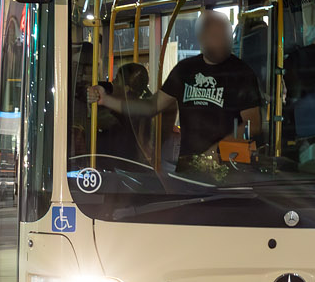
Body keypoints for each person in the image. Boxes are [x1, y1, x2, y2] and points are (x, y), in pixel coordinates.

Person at [89, 10, 262, 172]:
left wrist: (217, 150)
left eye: (225, 36)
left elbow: (252, 124)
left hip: (228, 167)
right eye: (215, 35)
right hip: (189, 167)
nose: (222, 41)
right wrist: (106, 100)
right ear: (202, 37)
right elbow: (151, 106)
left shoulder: (241, 73)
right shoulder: (185, 70)